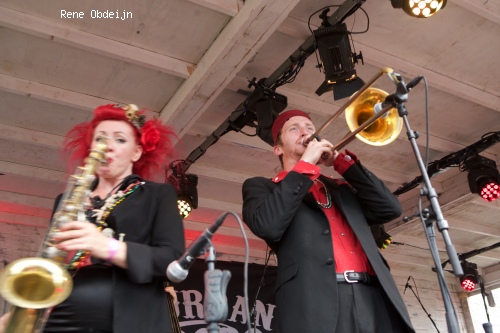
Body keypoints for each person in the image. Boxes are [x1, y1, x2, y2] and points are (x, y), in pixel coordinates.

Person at [2, 104, 185, 333]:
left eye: (119, 140)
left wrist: (105, 247)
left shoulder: (158, 194)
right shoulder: (66, 200)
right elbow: (53, 266)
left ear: (137, 152)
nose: (107, 146)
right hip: (61, 316)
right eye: (100, 138)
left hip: (131, 319)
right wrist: (25, 310)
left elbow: (171, 261)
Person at [242, 110, 415, 333]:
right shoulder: (263, 187)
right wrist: (305, 165)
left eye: (310, 128)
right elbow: (267, 225)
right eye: (294, 128)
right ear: (278, 148)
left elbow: (390, 208)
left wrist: (342, 163)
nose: (305, 131)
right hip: (317, 303)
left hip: (374, 296)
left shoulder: (341, 187)